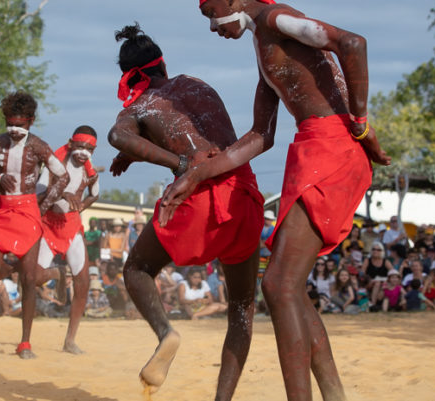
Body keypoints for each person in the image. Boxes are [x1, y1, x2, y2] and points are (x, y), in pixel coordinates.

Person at [160, 2, 391, 399]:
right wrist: (197, 174)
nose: (213, 26)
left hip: (331, 149)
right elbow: (260, 137)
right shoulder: (263, 38)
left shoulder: (274, 19)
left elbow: (353, 43)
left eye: (211, 12)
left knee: (280, 284)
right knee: (288, 287)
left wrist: (359, 122)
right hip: (316, 148)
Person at [108, 24, 265, 399]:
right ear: (162, 65)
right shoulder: (197, 85)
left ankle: (166, 333)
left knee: (137, 269)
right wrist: (136, 152)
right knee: (241, 307)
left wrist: (178, 164)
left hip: (194, 195)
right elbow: (193, 131)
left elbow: (118, 136)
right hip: (242, 193)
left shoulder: (140, 106)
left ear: (129, 77)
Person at [0, 91, 69, 359]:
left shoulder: (39, 146)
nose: (15, 130)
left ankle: (25, 342)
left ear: (30, 121)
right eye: (10, 124)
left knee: (29, 281)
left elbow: (62, 176)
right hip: (0, 211)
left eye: (20, 125)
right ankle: (46, 272)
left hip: (28, 211)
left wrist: (44, 205)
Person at [35, 125, 100, 354]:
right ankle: (59, 274)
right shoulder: (54, 164)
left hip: (72, 227)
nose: (84, 153)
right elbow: (38, 194)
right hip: (48, 226)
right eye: (80, 147)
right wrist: (63, 192)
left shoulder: (89, 172)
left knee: (83, 283)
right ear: (70, 144)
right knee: (35, 277)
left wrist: (81, 206)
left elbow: (95, 194)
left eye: (89, 149)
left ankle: (70, 340)